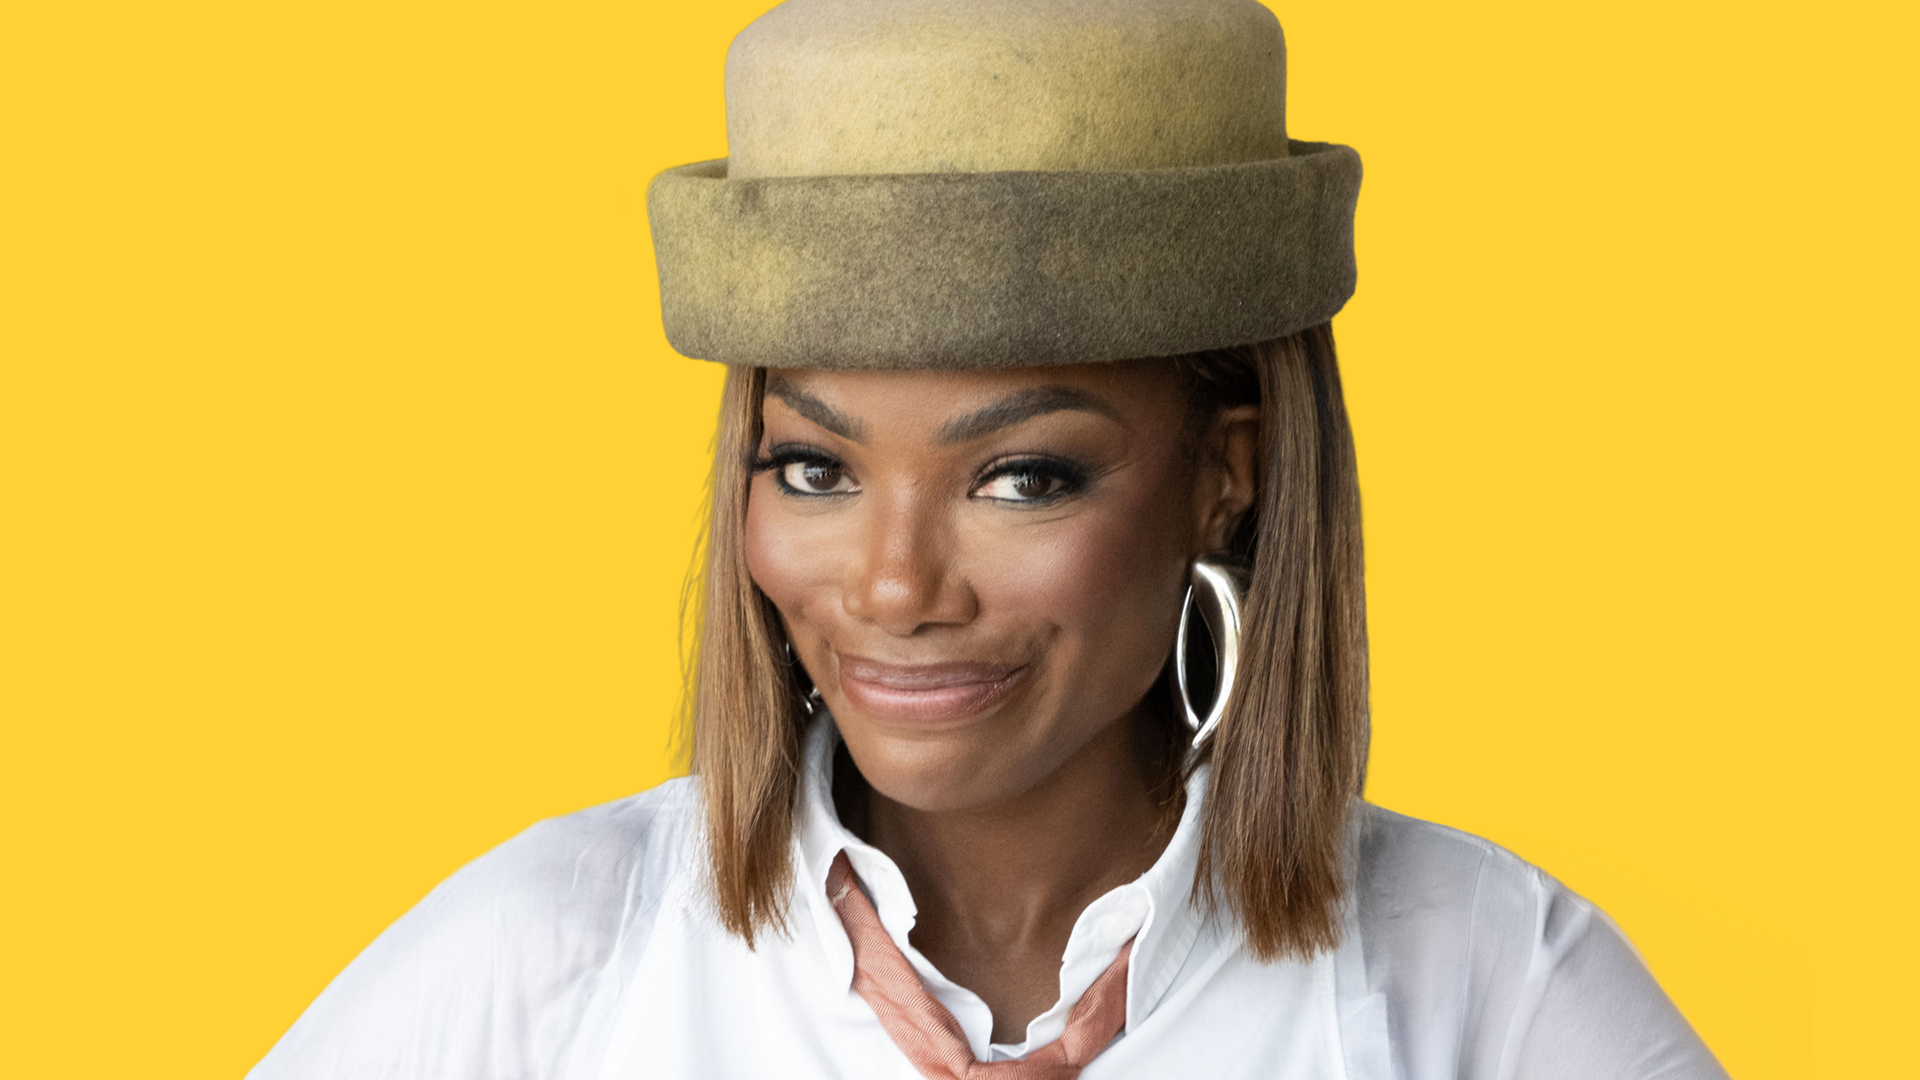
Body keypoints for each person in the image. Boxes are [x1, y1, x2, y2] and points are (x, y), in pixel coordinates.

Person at [252, 1, 1729, 1077]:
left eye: (1020, 478)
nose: (895, 586)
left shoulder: (1484, 990)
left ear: (1230, 473)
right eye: (815, 469)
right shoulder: (552, 964)